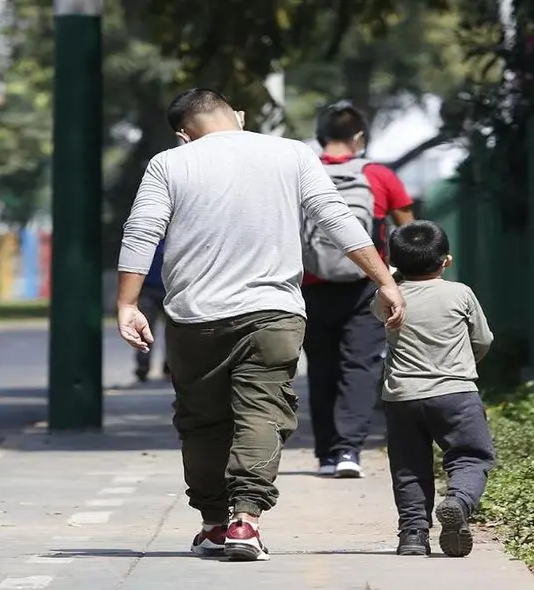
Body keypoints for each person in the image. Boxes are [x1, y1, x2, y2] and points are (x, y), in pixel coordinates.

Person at [116, 88, 406, 562]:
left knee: (202, 421)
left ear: (183, 134)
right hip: (273, 312)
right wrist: (384, 280)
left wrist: (128, 303)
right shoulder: (291, 153)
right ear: (241, 116)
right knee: (263, 412)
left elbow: (141, 230)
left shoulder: (169, 163)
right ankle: (245, 522)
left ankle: (212, 524)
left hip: (194, 316)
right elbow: (335, 218)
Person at [302, 101, 415, 478]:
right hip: (366, 286)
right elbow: (409, 229)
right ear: (359, 137)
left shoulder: (303, 173)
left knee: (321, 367)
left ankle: (326, 454)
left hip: (309, 285)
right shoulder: (379, 176)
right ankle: (349, 450)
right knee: (361, 366)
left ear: (320, 136)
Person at [371, 220, 496, 558]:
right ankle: (457, 501)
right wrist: (464, 368)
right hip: (455, 393)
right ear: (446, 261)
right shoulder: (460, 293)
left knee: (409, 467)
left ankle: (412, 536)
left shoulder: (386, 298)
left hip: (401, 398)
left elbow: (380, 305)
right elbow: (483, 340)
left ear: (394, 264)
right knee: (471, 456)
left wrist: (392, 280)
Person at [134, 241, 170, 382]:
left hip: (171, 288)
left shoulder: (177, 233)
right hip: (147, 288)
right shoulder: (148, 235)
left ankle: (170, 366)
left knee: (173, 330)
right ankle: (143, 365)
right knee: (144, 328)